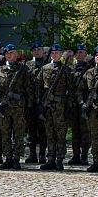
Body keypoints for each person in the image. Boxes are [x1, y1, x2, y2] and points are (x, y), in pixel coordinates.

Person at [0, 44, 34, 169]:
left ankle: (16, 158)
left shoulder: (23, 69)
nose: (10, 55)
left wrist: (28, 105)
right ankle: (8, 158)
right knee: (5, 133)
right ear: (5, 55)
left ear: (16, 55)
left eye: (12, 53)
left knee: (18, 134)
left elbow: (29, 89)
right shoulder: (0, 70)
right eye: (8, 53)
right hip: (4, 108)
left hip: (18, 107)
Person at [37, 43, 72, 171]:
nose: (55, 54)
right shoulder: (45, 68)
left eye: (57, 52)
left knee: (60, 134)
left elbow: (71, 90)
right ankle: (50, 158)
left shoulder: (66, 70)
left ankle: (59, 159)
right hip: (48, 106)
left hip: (60, 106)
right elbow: (39, 87)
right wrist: (40, 104)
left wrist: (68, 107)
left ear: (61, 54)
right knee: (49, 133)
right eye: (53, 52)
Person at [82, 46, 98, 173]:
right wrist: (82, 102)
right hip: (92, 110)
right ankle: (96, 162)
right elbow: (79, 90)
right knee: (94, 137)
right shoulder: (89, 72)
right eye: (96, 55)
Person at [68, 44, 91, 166]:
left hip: (84, 104)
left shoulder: (90, 68)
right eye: (79, 52)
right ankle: (76, 155)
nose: (80, 54)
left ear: (86, 54)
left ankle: (84, 156)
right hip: (73, 105)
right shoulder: (71, 69)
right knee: (75, 131)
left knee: (85, 131)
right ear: (76, 55)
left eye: (83, 52)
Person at [25, 41, 48, 164]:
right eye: (35, 50)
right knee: (31, 129)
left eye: (39, 49)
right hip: (30, 101)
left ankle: (43, 154)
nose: (37, 51)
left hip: (43, 101)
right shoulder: (27, 65)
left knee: (43, 130)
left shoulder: (47, 64)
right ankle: (32, 154)